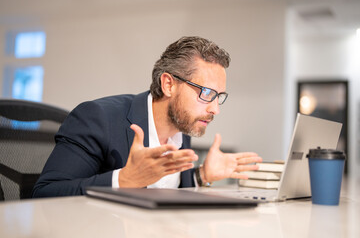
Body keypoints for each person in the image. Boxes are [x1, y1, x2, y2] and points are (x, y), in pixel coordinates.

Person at [32, 36, 262, 197]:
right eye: (206, 93)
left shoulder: (182, 127)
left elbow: (164, 189)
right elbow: (46, 192)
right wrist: (124, 181)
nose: (215, 109)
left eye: (218, 96)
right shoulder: (97, 118)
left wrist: (201, 175)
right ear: (169, 84)